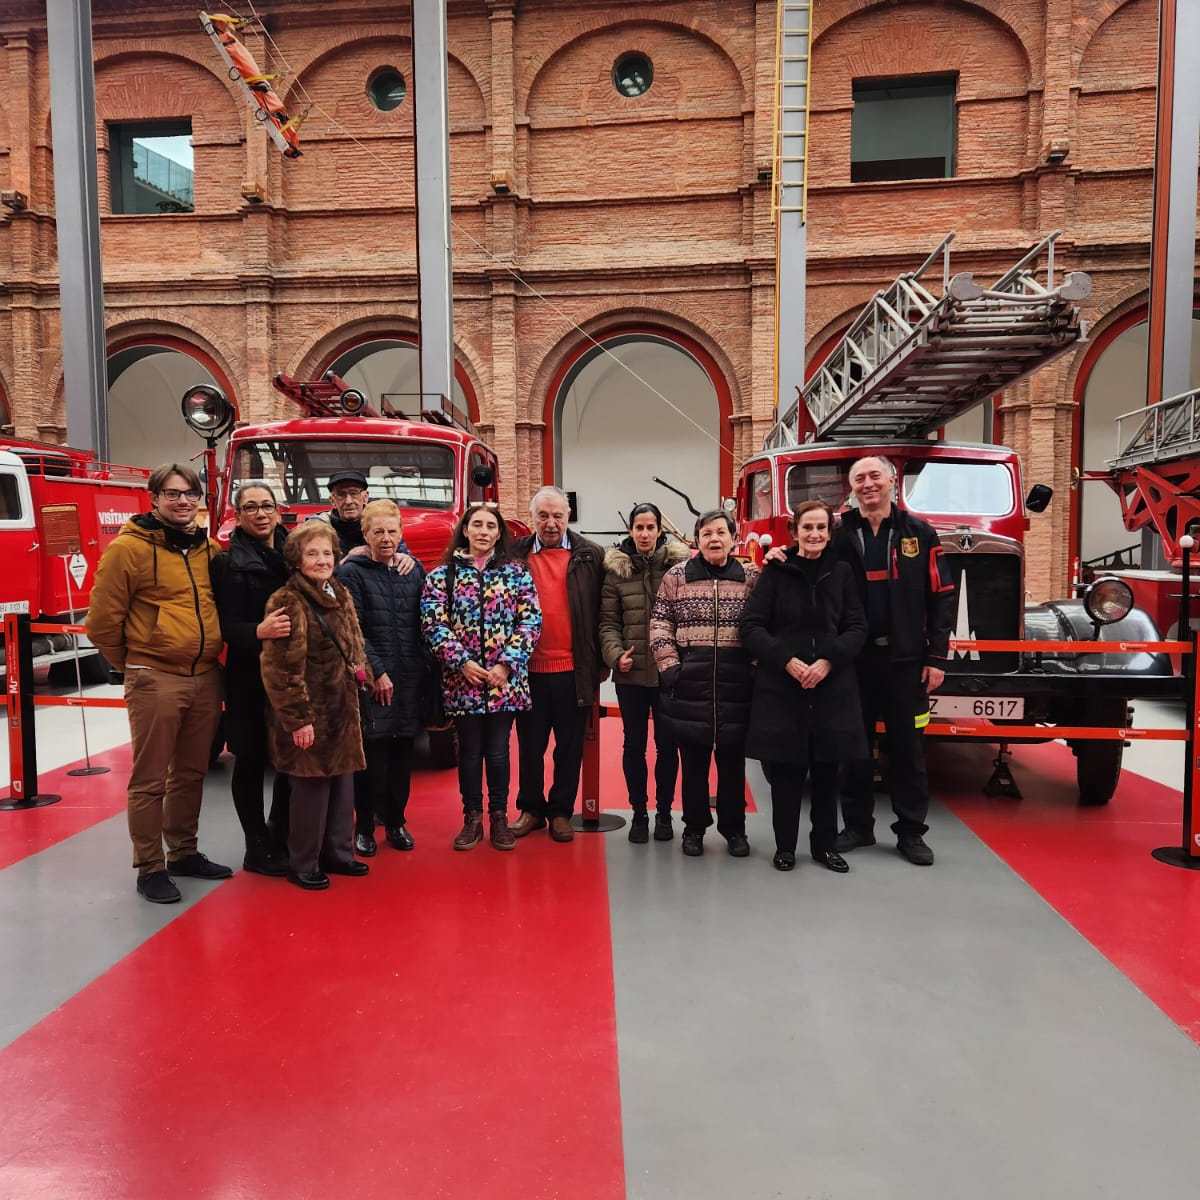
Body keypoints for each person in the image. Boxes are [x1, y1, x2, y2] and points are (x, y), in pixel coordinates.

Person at [86, 463, 232, 904]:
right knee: (150, 778)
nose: (182, 501)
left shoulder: (207, 549)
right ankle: (150, 866)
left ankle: (183, 852)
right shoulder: (128, 550)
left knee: (191, 772)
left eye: (189, 493)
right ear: (154, 498)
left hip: (204, 676)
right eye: (172, 493)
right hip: (156, 676)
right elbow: (101, 622)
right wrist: (138, 663)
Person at [833, 454, 956, 865]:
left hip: (906, 663)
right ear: (852, 488)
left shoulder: (920, 533)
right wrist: (780, 557)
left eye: (875, 476)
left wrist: (936, 657)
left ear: (891, 480)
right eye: (859, 478)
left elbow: (942, 597)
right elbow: (809, 566)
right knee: (853, 748)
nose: (868, 484)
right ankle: (857, 826)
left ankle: (911, 832)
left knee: (908, 750)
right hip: (853, 663)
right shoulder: (839, 534)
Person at [741, 501, 866, 873]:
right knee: (786, 773)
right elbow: (751, 626)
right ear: (794, 532)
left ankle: (825, 846)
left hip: (832, 688)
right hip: (783, 689)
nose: (814, 534)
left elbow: (857, 626)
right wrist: (786, 660)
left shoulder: (842, 573)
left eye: (821, 528)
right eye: (807, 528)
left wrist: (829, 661)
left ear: (829, 533)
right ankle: (785, 847)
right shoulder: (776, 572)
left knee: (827, 773)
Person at [421, 503, 542, 851]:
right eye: (477, 524)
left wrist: (507, 664)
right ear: (465, 530)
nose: (484, 531)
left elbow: (530, 621)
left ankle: (499, 817)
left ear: (499, 533)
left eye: (491, 526)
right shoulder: (441, 576)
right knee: (470, 752)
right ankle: (472, 818)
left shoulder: (517, 573)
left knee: (499, 751)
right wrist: (461, 662)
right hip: (463, 681)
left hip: (504, 681)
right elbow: (433, 623)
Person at [260, 522, 373, 890]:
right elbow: (280, 668)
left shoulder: (339, 592)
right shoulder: (287, 601)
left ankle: (338, 853)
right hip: (310, 713)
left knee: (342, 788)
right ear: (297, 559)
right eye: (312, 553)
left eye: (327, 553)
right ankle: (303, 862)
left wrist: (364, 673)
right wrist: (298, 720)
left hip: (343, 710)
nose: (322, 560)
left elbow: (355, 643)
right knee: (311, 791)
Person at [649, 509, 759, 858]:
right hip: (689, 686)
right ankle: (694, 829)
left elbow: (765, 624)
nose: (714, 539)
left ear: (733, 538)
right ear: (697, 540)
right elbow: (660, 623)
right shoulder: (676, 577)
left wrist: (755, 668)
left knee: (733, 766)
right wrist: (671, 668)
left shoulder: (751, 578)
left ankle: (734, 830)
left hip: (736, 686)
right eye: (707, 533)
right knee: (694, 766)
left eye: (721, 532)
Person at [511, 486, 606, 844]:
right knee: (530, 746)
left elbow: (603, 610)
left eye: (557, 516)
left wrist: (601, 662)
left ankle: (561, 812)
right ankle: (531, 810)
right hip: (527, 670)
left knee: (569, 747)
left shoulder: (590, 555)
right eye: (543, 516)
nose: (550, 523)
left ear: (568, 516)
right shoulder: (513, 554)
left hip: (573, 670)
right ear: (532, 517)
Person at [211, 480, 292, 877]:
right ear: (239, 516)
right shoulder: (227, 564)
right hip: (249, 674)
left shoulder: (295, 554)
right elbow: (222, 625)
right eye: (251, 507)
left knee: (292, 758)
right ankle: (256, 845)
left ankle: (281, 833)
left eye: (266, 506)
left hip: (292, 674)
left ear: (278, 511)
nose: (260, 514)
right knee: (251, 759)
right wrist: (257, 631)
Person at [336, 499, 425, 856]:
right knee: (372, 758)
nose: (385, 538)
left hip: (409, 678)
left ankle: (396, 822)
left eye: (391, 531)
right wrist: (378, 672)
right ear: (365, 534)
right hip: (374, 681)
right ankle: (364, 827)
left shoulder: (412, 570)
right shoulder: (351, 573)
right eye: (378, 532)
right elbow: (353, 628)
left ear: (401, 533)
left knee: (403, 755)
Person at [599, 502, 689, 843]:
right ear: (631, 530)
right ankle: (639, 813)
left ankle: (664, 814)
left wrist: (680, 660)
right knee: (633, 746)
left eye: (651, 527)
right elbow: (608, 623)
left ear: (659, 530)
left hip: (669, 675)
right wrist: (615, 655)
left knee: (668, 746)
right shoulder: (616, 571)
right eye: (639, 527)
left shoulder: (678, 568)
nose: (645, 533)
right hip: (632, 674)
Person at [312, 468, 370, 557]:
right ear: (332, 501)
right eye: (341, 494)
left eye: (354, 493)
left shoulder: (381, 524)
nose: (348, 501)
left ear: (365, 497)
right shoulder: (317, 527)